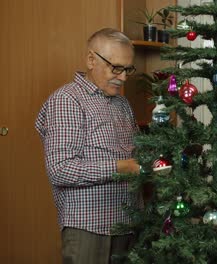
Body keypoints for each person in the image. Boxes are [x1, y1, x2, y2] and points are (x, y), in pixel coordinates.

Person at [35, 28, 141, 264]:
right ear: (91, 60)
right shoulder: (67, 101)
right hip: (89, 228)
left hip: (127, 223)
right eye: (116, 68)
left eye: (127, 70)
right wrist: (121, 167)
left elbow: (136, 153)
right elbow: (60, 169)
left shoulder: (122, 103)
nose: (123, 78)